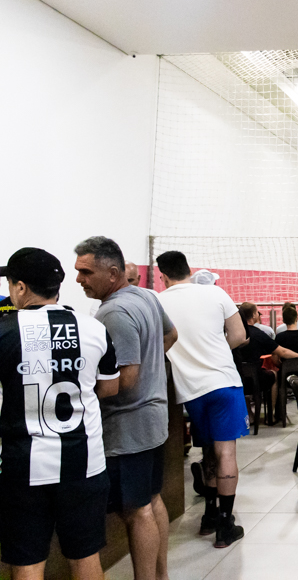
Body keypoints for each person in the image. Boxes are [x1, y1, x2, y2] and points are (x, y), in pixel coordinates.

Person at [0, 248, 120, 580]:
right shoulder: (93, 328)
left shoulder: (5, 331)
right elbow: (110, 387)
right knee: (85, 556)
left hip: (23, 466)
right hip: (84, 463)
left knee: (27, 562)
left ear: (20, 287)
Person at [74, 237, 176, 580]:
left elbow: (125, 380)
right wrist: (150, 366)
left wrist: (84, 391)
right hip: (153, 420)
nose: (79, 279)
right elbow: (171, 335)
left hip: (128, 428)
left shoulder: (112, 313)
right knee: (152, 500)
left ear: (113, 273)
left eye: (86, 272)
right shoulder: (146, 296)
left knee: (137, 511)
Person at [155, 250, 249, 547]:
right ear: (189, 269)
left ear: (163, 276)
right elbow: (239, 335)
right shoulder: (215, 293)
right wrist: (215, 350)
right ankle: (225, 524)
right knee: (226, 453)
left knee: (207, 452)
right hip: (223, 383)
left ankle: (208, 516)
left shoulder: (158, 302)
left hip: (191, 390)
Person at [235, 302, 298, 425]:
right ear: (254, 315)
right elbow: (282, 352)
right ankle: (270, 415)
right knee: (273, 375)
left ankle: (248, 413)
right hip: (256, 381)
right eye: (257, 312)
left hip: (236, 379)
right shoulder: (259, 334)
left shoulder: (235, 334)